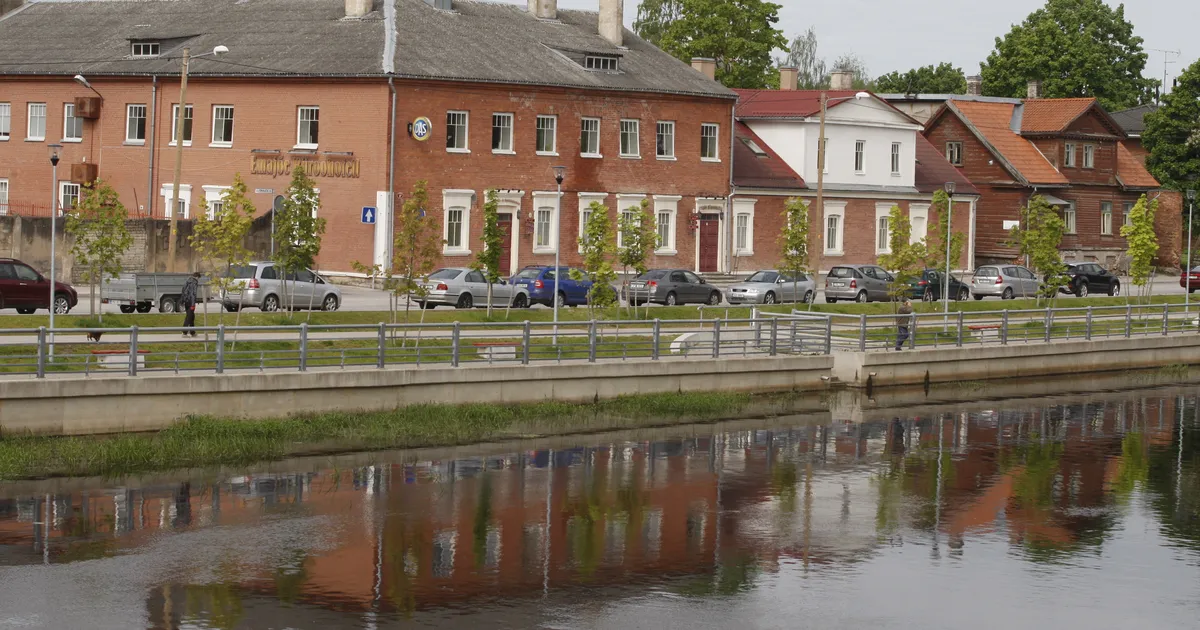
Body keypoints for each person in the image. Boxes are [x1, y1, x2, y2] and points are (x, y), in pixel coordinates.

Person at [180, 272, 201, 338]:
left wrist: (183, 300)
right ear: (197, 277)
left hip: (186, 301)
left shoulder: (187, 281)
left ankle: (192, 332)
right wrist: (193, 304)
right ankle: (184, 333)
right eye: (198, 278)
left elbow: (183, 290)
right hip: (190, 302)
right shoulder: (194, 282)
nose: (198, 280)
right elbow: (193, 294)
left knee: (191, 316)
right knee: (189, 317)